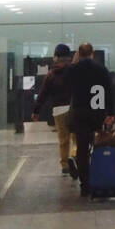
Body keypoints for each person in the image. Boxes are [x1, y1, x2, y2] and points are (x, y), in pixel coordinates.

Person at [65, 42, 114, 197]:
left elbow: (66, 86)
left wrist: (73, 63)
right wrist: (110, 113)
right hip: (97, 112)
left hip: (80, 113)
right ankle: (100, 176)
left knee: (82, 148)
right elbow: (108, 91)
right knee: (99, 144)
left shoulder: (73, 69)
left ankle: (85, 184)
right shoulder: (101, 69)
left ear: (79, 54)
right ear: (92, 53)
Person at [33, 44, 75, 175]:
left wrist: (36, 110)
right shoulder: (74, 71)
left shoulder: (51, 74)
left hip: (59, 110)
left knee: (63, 139)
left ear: (56, 57)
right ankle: (75, 158)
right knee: (77, 138)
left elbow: (43, 94)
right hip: (74, 109)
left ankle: (65, 165)